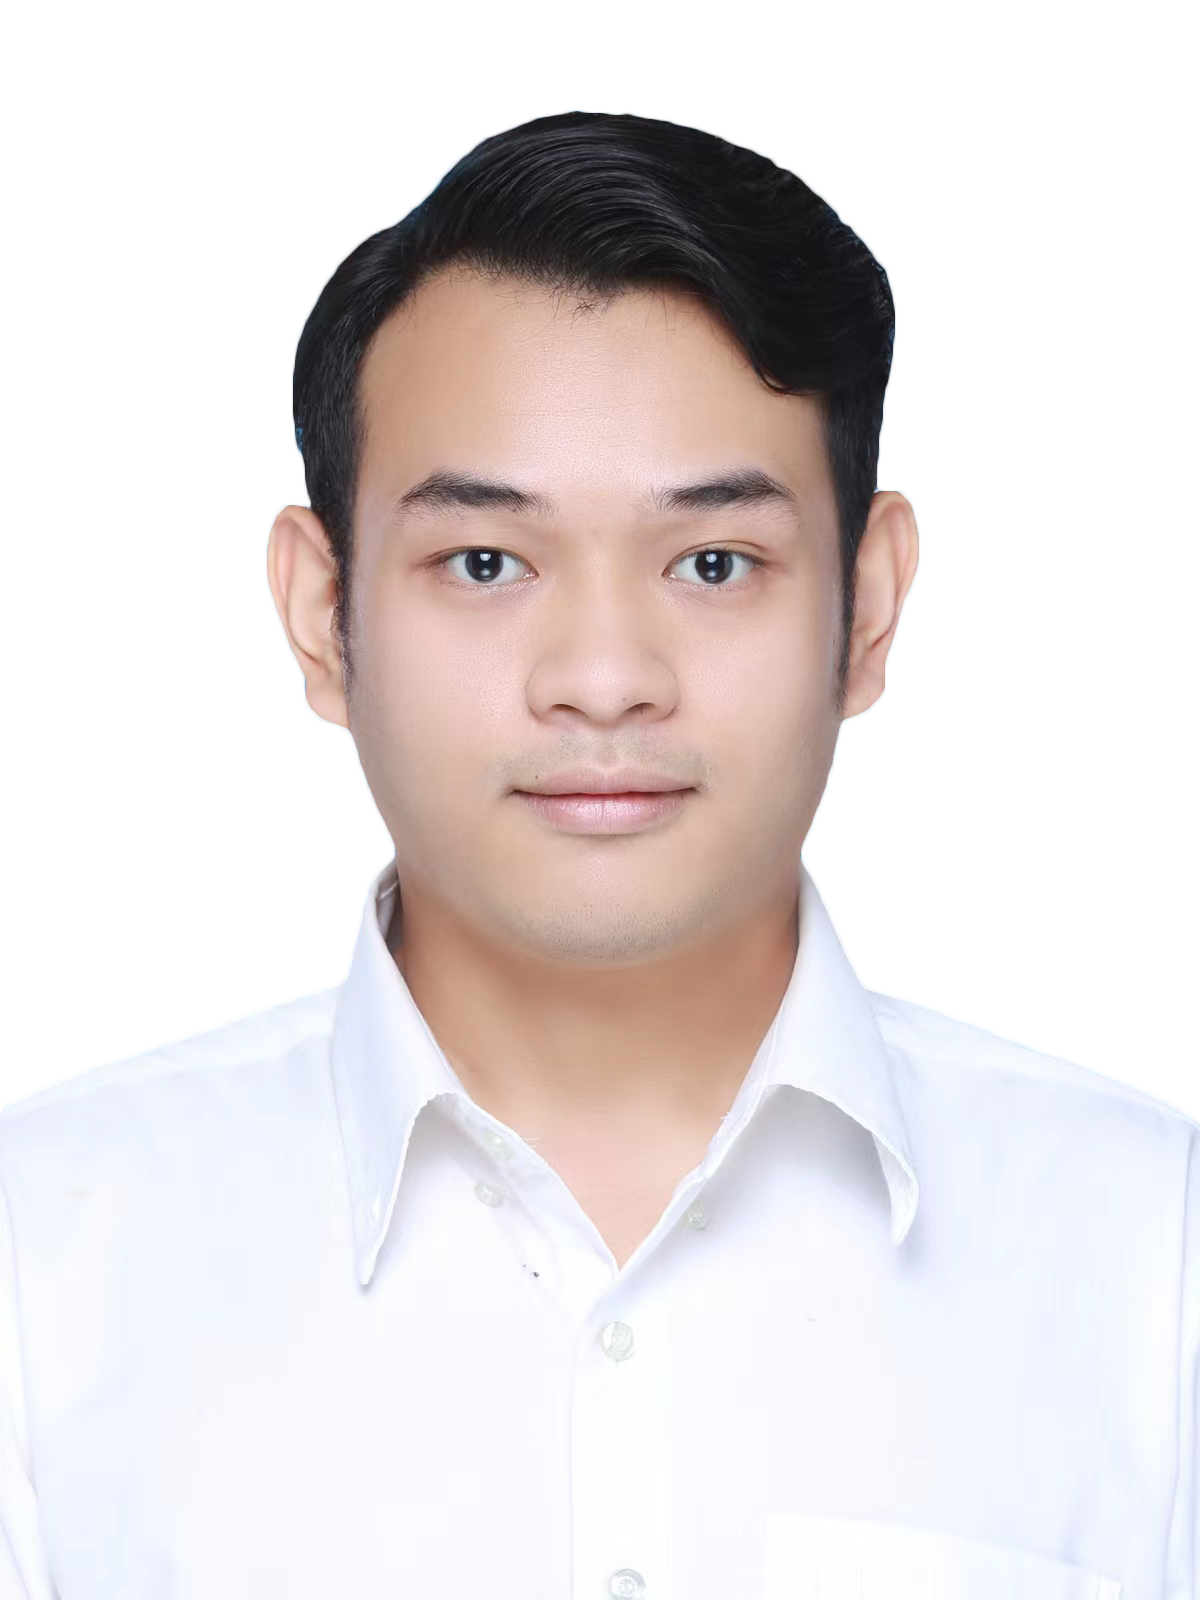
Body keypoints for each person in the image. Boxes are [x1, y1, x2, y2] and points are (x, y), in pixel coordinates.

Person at [0, 109, 1192, 1600]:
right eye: (485, 562)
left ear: (869, 606)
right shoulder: (40, 1270)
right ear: (322, 616)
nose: (606, 678)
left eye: (714, 563)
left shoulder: (1154, 1263)